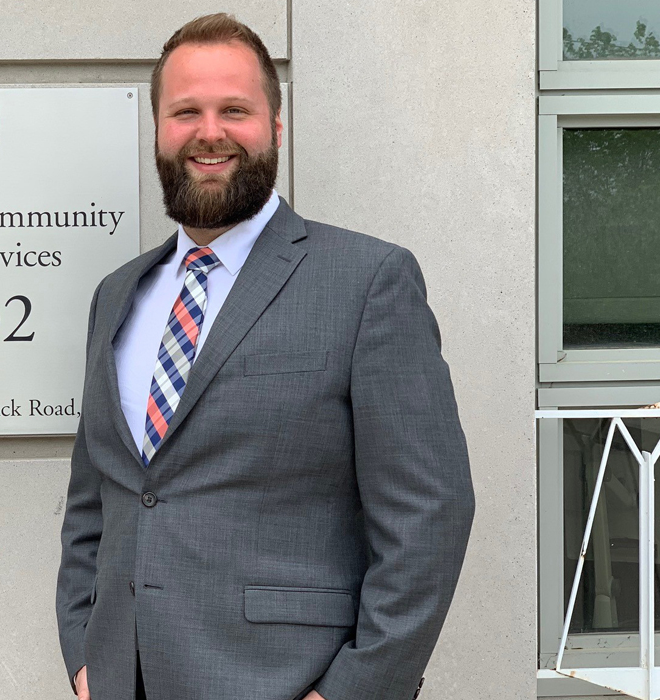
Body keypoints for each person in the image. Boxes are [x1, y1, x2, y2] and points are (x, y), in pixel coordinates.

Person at [56, 13, 475, 700]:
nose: (209, 132)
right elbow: (94, 503)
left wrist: (353, 690)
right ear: (160, 131)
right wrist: (83, 651)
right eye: (185, 111)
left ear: (275, 128)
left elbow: (431, 512)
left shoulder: (367, 282)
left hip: (283, 682)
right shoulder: (117, 296)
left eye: (235, 110)